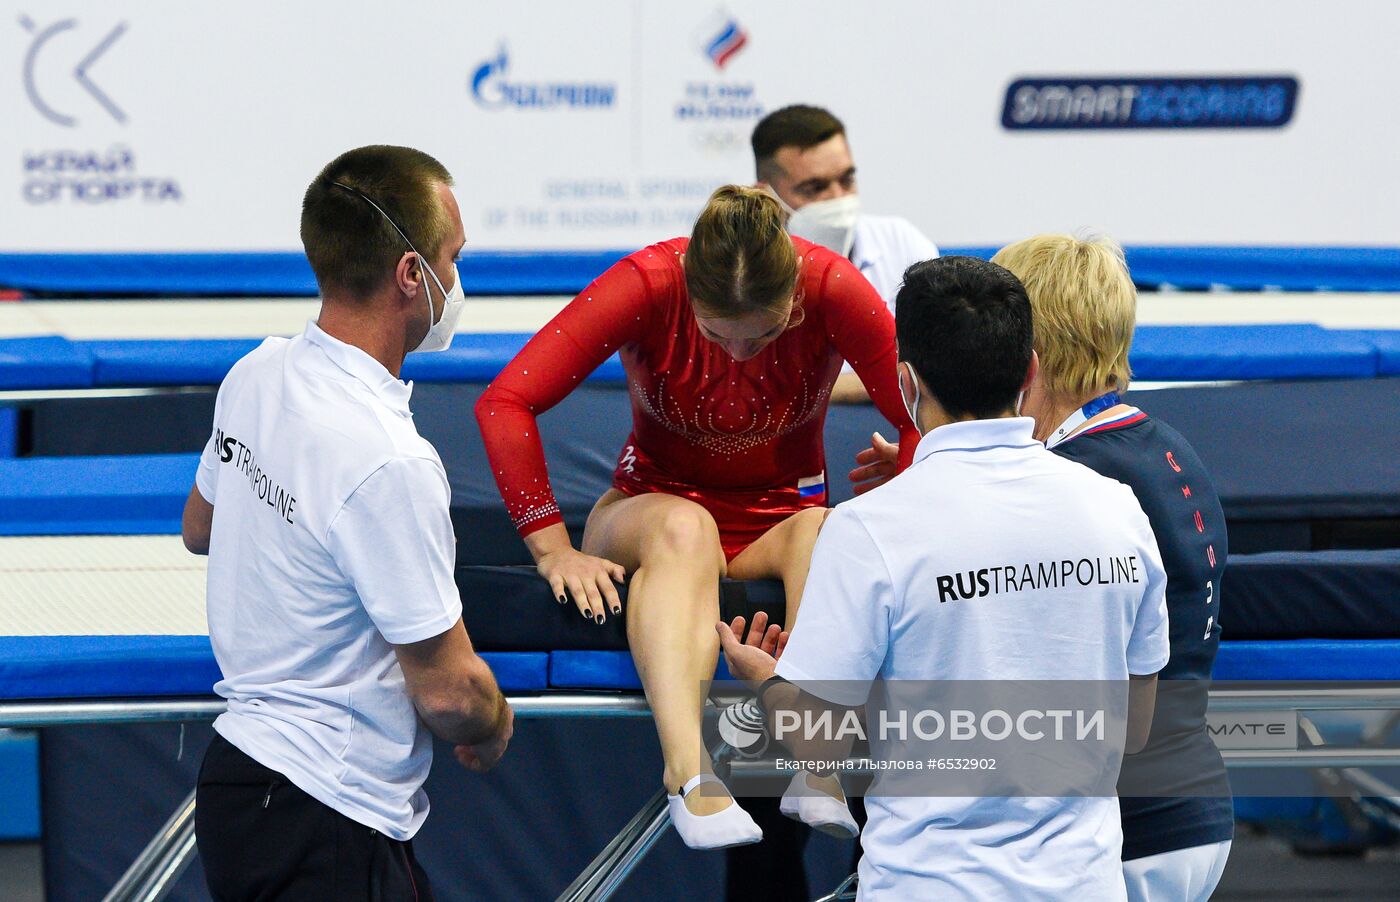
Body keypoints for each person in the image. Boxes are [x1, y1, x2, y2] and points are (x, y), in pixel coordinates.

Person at [474, 185, 920, 850]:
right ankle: (689, 775)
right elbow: (505, 400)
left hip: (782, 517)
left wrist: (910, 471)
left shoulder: (833, 286)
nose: (740, 356)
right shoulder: (647, 283)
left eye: (764, 334)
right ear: (689, 293)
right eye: (717, 335)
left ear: (794, 293)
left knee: (830, 532)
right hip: (648, 510)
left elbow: (927, 417)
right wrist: (551, 549)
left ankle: (815, 760)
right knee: (689, 528)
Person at [717, 255, 1170, 900]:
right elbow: (1136, 727)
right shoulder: (1118, 508)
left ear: (905, 384)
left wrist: (767, 683)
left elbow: (822, 747)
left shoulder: (870, 529)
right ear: (1031, 370)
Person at [183, 145, 512, 900]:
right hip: (324, 807)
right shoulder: (388, 460)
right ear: (409, 275)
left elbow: (201, 526)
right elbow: (449, 694)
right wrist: (493, 723)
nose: (457, 282)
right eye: (451, 259)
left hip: (241, 786)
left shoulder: (256, 374)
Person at [993, 233, 1233, 902]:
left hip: (1114, 837)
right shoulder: (1169, 449)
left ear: (1019, 352)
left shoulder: (1067, 485)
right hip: (1192, 816)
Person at [752, 104, 939, 404]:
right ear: (765, 194)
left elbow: (935, 371)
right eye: (815, 188)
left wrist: (802, 393)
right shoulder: (742, 270)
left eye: (847, 179)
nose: (838, 199)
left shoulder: (903, 244)